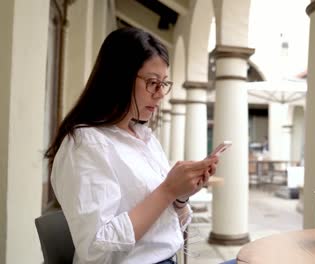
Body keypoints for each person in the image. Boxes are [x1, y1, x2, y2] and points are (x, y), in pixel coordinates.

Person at [44, 27, 218, 264]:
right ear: (119, 78)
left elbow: (162, 232)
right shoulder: (86, 143)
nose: (160, 94)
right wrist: (167, 190)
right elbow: (97, 248)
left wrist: (179, 197)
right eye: (152, 82)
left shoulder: (144, 138)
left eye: (164, 84)